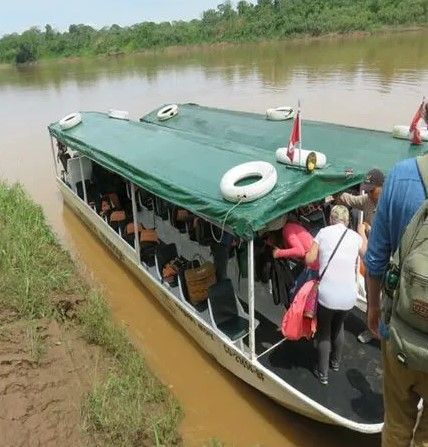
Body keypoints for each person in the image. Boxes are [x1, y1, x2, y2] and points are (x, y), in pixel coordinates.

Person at [365, 155, 427, 447]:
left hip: (400, 330)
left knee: (397, 428)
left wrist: (374, 307)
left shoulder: (401, 176)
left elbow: (375, 258)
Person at [305, 205, 366, 385]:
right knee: (338, 326)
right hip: (348, 296)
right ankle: (336, 363)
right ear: (347, 221)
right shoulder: (355, 237)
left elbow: (309, 259)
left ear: (331, 218)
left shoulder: (323, 233)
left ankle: (322, 373)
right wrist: (362, 232)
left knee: (324, 331)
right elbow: (368, 255)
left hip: (327, 294)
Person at [336, 168, 385, 343]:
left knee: (388, 302)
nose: (370, 193)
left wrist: (367, 230)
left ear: (382, 186)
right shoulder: (367, 200)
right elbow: (349, 199)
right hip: (373, 260)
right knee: (373, 300)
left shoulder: (391, 204)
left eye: (373, 190)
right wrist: (333, 187)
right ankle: (371, 330)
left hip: (389, 261)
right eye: (368, 190)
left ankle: (386, 335)